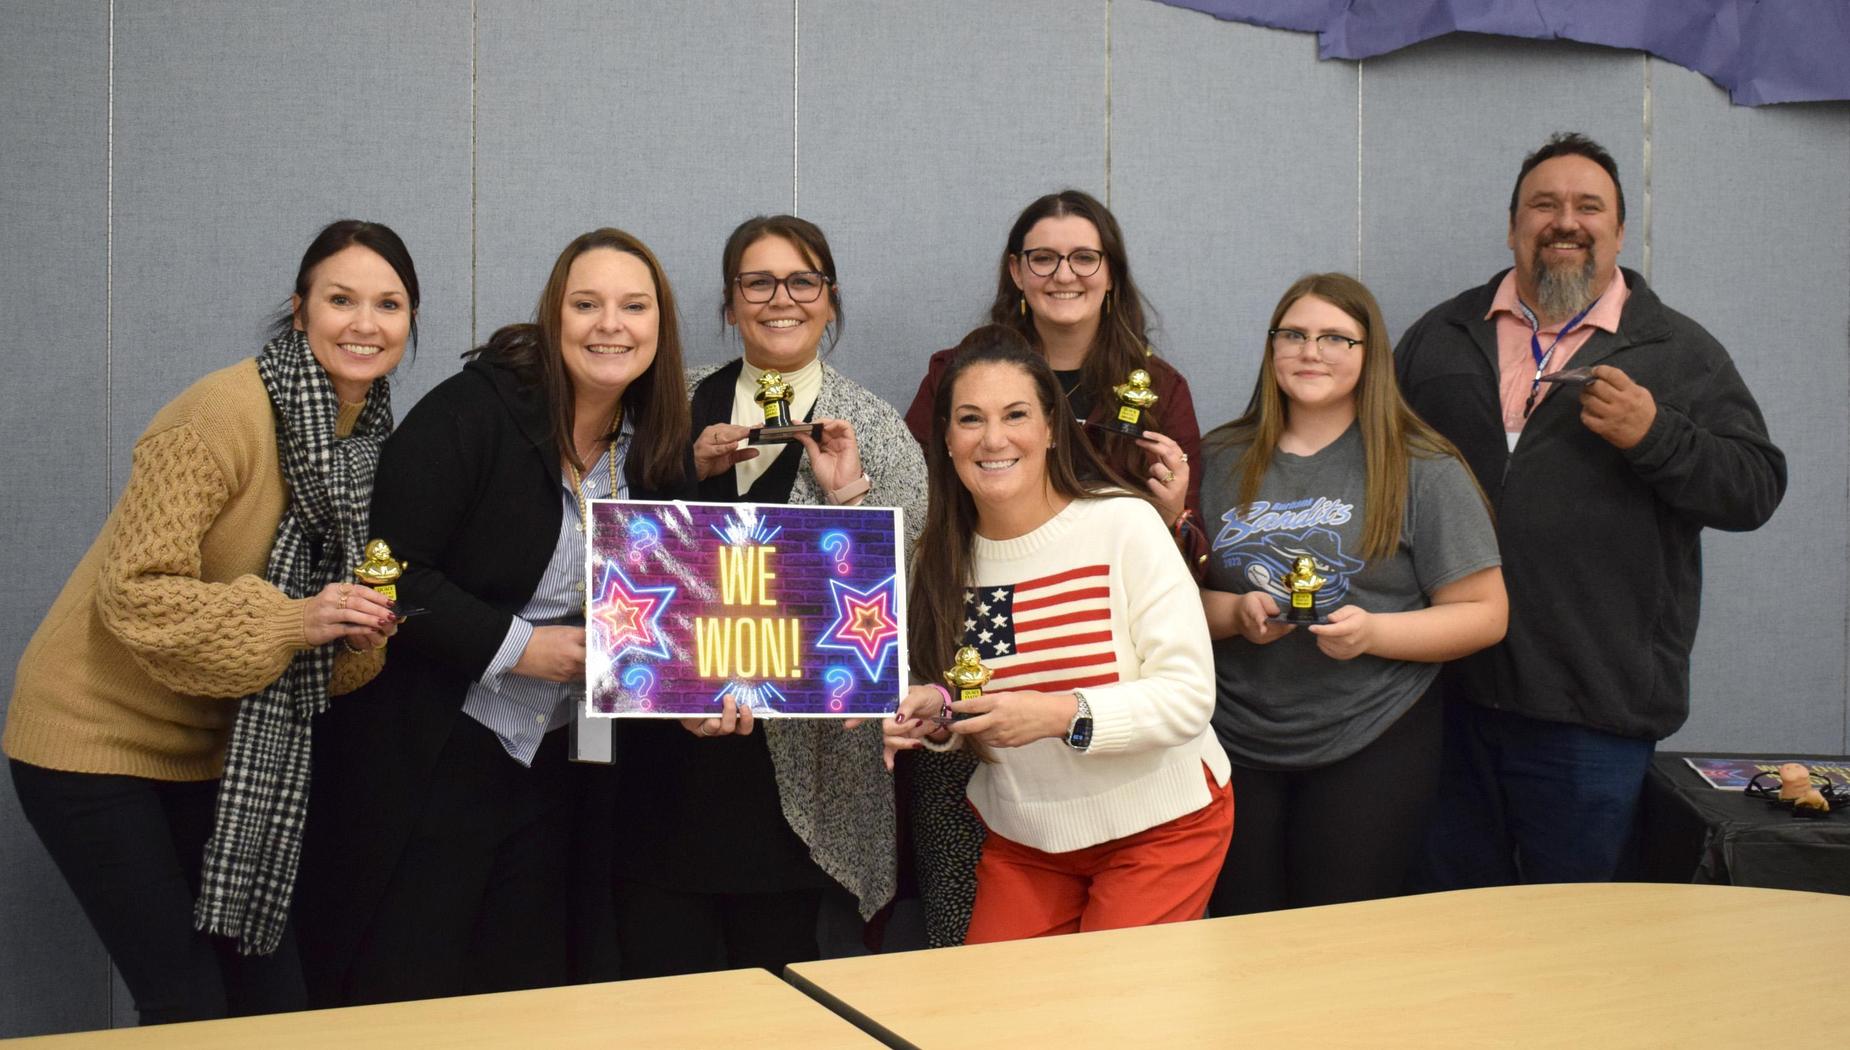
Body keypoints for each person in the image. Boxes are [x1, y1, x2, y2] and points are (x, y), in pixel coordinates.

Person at [4, 220, 414, 1024]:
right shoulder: (221, 413)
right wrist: (298, 619)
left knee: (271, 997)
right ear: (300, 311)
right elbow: (137, 592)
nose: (365, 323)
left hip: (212, 752)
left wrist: (358, 637)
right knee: (188, 1004)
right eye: (341, 299)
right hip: (93, 741)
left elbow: (320, 647)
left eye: (389, 304)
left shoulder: (367, 443)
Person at [296, 228, 695, 1006]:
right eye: (587, 304)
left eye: (633, 306)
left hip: (558, 763)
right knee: (410, 982)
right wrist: (521, 649)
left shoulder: (653, 443)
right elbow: (395, 571)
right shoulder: (474, 412)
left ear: (660, 326)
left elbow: (668, 610)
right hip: (436, 745)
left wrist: (703, 694)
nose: (610, 324)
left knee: (528, 990)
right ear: (555, 316)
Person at [1394, 132, 1786, 888]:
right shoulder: (1440, 336)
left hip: (1593, 713)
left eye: (1588, 206)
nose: (1565, 221)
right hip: (1442, 699)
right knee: (1447, 931)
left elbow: (1756, 487)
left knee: (1581, 946)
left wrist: (1657, 435)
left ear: (1619, 230)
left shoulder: (1677, 351)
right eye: (1545, 204)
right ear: (1513, 227)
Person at [604, 214, 924, 979]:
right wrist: (687, 470)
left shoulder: (875, 430)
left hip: (796, 778)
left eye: (802, 281)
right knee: (659, 990)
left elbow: (906, 591)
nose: (781, 299)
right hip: (667, 759)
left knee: (776, 993)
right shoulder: (664, 407)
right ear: (729, 301)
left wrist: (851, 501)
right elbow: (610, 543)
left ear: (830, 299)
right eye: (758, 281)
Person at [902, 189, 1205, 948]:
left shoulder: (1123, 520)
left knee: (1109, 1012)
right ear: (941, 438)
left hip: (1154, 821)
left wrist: (1060, 713)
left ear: (1049, 429)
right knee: (992, 1012)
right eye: (969, 418)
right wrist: (935, 717)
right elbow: (978, 683)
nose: (992, 438)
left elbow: (1187, 696)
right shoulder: (945, 560)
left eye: (1014, 416)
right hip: (1028, 828)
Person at [1197, 273, 1506, 916]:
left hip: (1373, 735)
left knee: (1339, 938)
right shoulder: (1219, 458)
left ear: (1372, 357)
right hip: (1233, 737)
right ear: (1272, 347)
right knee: (1236, 934)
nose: (1312, 352)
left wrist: (1373, 633)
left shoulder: (1422, 464)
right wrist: (1234, 614)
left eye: (1337, 338)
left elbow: (1486, 614)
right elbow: (1168, 602)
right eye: (1295, 335)